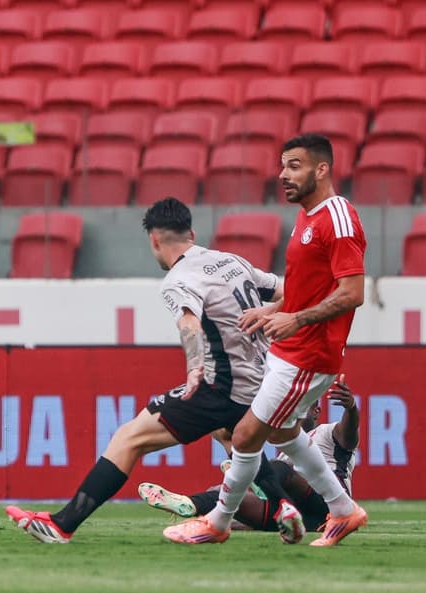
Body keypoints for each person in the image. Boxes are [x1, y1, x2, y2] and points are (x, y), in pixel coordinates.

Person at [4, 196, 304, 544]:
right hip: (261, 382)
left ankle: (62, 524)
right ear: (191, 232)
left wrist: (194, 369)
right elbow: (291, 291)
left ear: (154, 240)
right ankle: (284, 506)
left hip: (221, 386)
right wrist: (273, 313)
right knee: (230, 436)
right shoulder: (232, 262)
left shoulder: (179, 278)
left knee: (129, 439)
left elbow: (189, 324)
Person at [164, 133, 368, 547]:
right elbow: (309, 288)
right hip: (291, 346)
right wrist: (273, 310)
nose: (283, 175)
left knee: (244, 435)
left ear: (322, 169)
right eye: (282, 166)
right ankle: (344, 509)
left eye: (294, 166)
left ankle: (217, 523)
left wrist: (294, 319)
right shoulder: (308, 218)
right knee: (282, 435)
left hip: (310, 354)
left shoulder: (338, 218)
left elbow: (353, 293)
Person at [140, 376, 359, 533]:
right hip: (303, 520)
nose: (294, 411)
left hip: (328, 507)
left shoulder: (327, 433)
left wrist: (351, 409)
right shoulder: (285, 447)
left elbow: (348, 435)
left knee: (278, 469)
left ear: (316, 411)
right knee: (225, 495)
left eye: (301, 408)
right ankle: (190, 503)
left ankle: (251, 477)